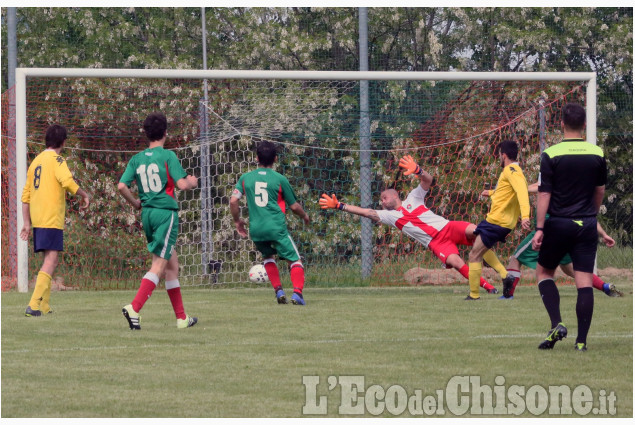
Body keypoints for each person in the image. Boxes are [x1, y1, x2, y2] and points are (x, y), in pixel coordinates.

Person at [319, 155, 505, 293]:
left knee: (479, 232)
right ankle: (488, 287)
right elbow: (367, 212)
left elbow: (428, 180)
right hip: (437, 243)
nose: (382, 202)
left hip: (448, 227)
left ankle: (506, 275)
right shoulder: (390, 216)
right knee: (456, 262)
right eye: (381, 201)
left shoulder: (413, 197)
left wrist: (418, 170)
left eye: (384, 198)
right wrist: (340, 206)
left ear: (394, 195)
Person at [531, 103, 607, 351]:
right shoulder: (597, 153)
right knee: (584, 282)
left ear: (562, 124)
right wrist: (591, 216)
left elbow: (544, 194)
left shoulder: (551, 154)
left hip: (559, 223)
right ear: (584, 125)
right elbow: (600, 190)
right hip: (586, 223)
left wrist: (540, 228)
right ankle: (581, 342)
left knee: (544, 273)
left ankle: (557, 324)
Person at [118, 112, 198, 330]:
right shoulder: (167, 156)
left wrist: (135, 203)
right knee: (159, 265)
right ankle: (134, 307)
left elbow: (121, 186)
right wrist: (191, 181)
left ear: (146, 134)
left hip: (148, 215)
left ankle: (181, 318)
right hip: (165, 213)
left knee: (172, 266)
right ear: (165, 133)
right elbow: (181, 185)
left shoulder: (137, 159)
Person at [500, 183, 622, 299]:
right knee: (570, 268)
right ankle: (605, 286)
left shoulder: (555, 175)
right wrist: (604, 234)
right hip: (566, 229)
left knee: (516, 258)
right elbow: (586, 216)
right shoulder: (573, 190)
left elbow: (541, 186)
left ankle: (508, 295)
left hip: (546, 229)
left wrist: (518, 189)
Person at [20, 124, 91, 316]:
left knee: (49, 259)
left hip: (38, 218)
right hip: (51, 217)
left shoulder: (36, 162)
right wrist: (85, 195)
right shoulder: (57, 160)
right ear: (63, 142)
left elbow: (25, 197)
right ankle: (33, 305)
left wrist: (27, 223)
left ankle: (44, 304)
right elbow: (67, 182)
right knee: (51, 260)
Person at [230, 140, 310, 305]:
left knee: (268, 257)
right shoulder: (280, 179)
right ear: (275, 159)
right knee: (295, 260)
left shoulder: (245, 178)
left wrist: (238, 221)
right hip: (276, 228)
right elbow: (294, 206)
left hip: (257, 230)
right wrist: (304, 216)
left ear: (257, 158)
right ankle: (297, 294)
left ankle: (279, 291)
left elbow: (233, 201)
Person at [466, 140, 531, 300]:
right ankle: (505, 275)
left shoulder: (511, 170)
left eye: (499, 156)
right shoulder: (513, 170)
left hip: (497, 222)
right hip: (497, 221)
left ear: (504, 155)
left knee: (474, 255)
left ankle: (474, 295)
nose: (499, 159)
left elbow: (522, 192)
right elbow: (506, 193)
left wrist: (525, 216)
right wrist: (491, 193)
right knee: (479, 247)